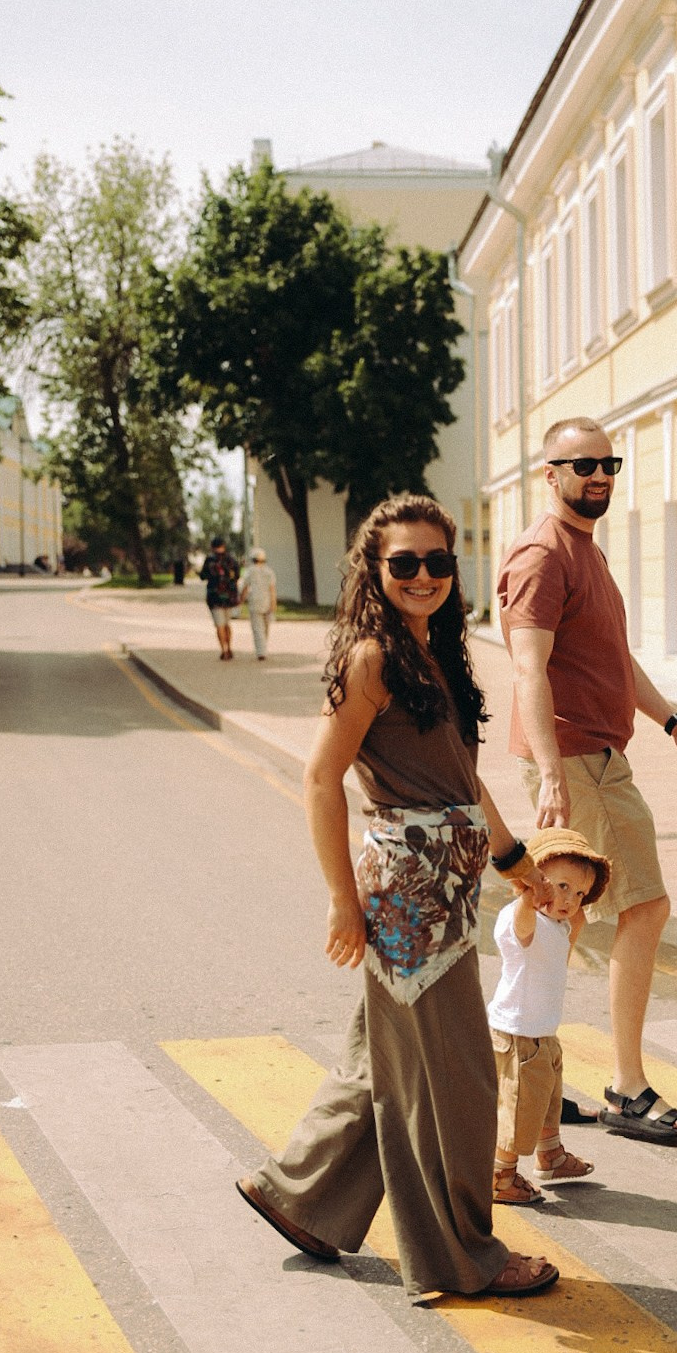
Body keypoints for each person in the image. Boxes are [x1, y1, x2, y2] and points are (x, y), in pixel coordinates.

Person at [236, 494, 559, 1302]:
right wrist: (343, 902)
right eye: (403, 563)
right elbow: (320, 778)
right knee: (453, 1082)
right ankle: (460, 1258)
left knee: (383, 1062)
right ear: (373, 572)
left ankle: (300, 1197)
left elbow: (460, 776)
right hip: (408, 897)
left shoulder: (434, 652)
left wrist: (512, 857)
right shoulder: (371, 657)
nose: (422, 575)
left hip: (448, 884)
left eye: (437, 561)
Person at [497, 416, 677, 1142]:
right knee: (640, 906)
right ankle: (623, 1090)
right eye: (581, 463)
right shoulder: (541, 556)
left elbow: (613, 662)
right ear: (550, 473)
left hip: (596, 755)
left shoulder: (582, 551)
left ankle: (529, 1067)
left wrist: (672, 721)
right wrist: (554, 775)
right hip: (575, 762)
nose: (597, 475)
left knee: (566, 916)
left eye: (607, 463)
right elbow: (528, 667)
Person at [488, 827, 610, 1205]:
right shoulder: (520, 918)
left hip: (542, 1033)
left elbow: (571, 933)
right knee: (521, 1108)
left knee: (548, 1101)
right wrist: (529, 891)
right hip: (519, 1035)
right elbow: (524, 922)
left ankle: (551, 1157)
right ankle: (500, 1175)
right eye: (561, 886)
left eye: (579, 893)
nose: (570, 900)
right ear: (535, 880)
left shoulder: (557, 924)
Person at [199, 536, 240, 660]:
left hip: (214, 597)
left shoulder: (210, 560)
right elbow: (237, 575)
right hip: (229, 597)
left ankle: (223, 650)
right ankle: (230, 646)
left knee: (219, 625)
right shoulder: (231, 560)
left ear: (212, 547)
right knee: (227, 623)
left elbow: (203, 576)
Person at [239, 547, 277, 660]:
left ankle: (261, 651)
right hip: (267, 601)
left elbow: (245, 587)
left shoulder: (249, 571)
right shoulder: (269, 571)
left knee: (257, 628)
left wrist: (241, 599)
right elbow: (272, 589)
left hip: (255, 601)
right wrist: (274, 603)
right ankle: (263, 648)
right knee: (266, 627)